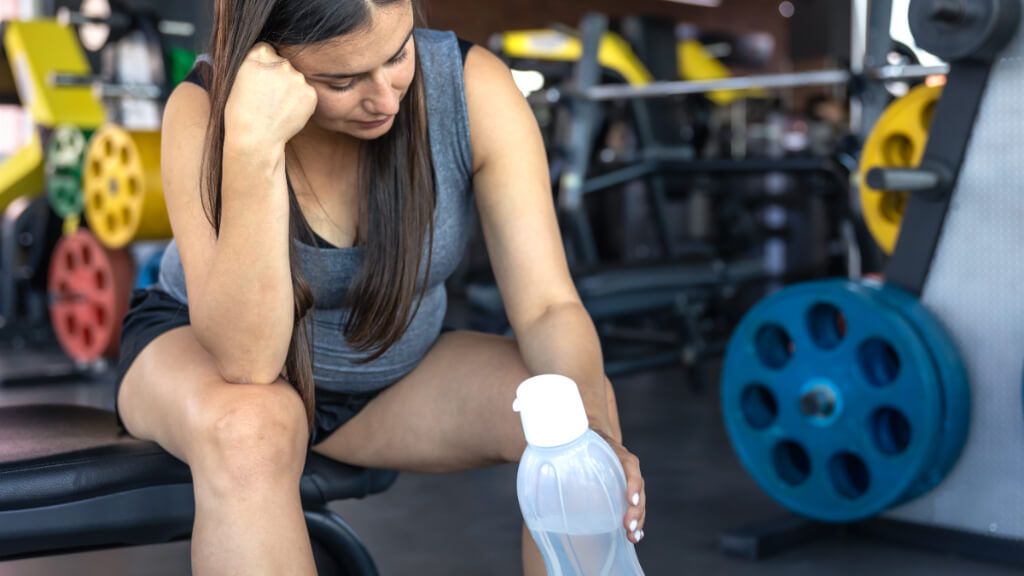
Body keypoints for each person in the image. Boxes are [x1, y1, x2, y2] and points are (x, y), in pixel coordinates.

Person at [113, 0, 647, 574]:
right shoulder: (202, 112)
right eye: (341, 80)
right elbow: (249, 362)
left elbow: (547, 306)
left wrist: (597, 438)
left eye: (397, 55)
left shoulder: (473, 88)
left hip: (387, 373)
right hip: (209, 359)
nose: (386, 98)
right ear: (267, 56)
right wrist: (253, 148)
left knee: (569, 416)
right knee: (253, 429)